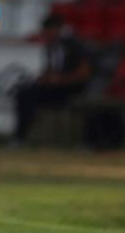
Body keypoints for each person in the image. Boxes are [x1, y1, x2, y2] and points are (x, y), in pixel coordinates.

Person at [13, 13, 92, 145]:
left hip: (72, 87)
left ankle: (20, 137)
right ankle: (22, 137)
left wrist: (60, 80)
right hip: (56, 87)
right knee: (24, 93)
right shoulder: (52, 46)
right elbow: (52, 69)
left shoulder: (75, 44)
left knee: (27, 96)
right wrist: (46, 78)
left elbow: (84, 72)